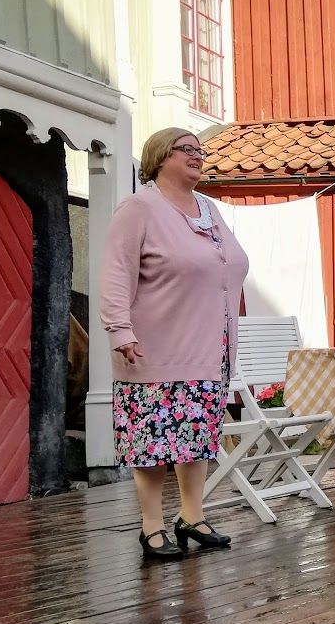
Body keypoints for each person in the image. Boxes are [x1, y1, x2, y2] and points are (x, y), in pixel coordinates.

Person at [100, 128, 249, 561]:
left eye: (201, 151)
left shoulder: (210, 210)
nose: (198, 156)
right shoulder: (138, 208)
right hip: (153, 348)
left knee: (196, 437)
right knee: (150, 441)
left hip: (209, 349)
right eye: (188, 149)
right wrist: (120, 331)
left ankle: (192, 516)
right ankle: (151, 527)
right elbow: (114, 275)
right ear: (161, 156)